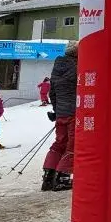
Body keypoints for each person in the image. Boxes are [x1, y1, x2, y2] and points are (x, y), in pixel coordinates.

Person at [42, 44, 78, 191]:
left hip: (61, 113)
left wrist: (57, 110)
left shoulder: (57, 68)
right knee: (72, 144)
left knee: (59, 144)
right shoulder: (77, 67)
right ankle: (62, 176)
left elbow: (53, 92)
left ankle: (48, 176)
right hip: (74, 112)